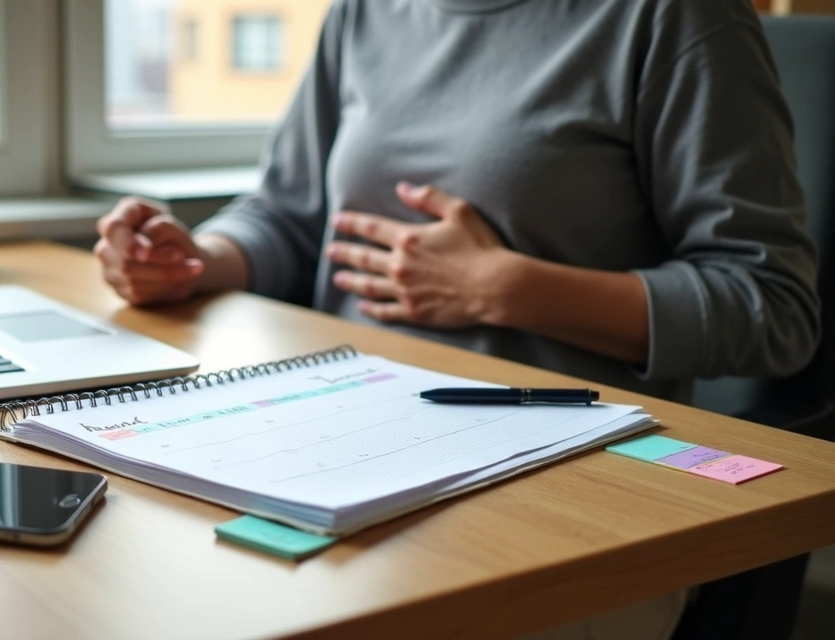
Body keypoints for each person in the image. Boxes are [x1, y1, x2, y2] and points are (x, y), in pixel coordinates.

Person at [93, 1, 820, 637]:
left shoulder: (672, 16)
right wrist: (193, 259)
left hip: (568, 507)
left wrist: (508, 291)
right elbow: (291, 215)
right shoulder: (363, 12)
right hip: (344, 462)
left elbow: (772, 307)